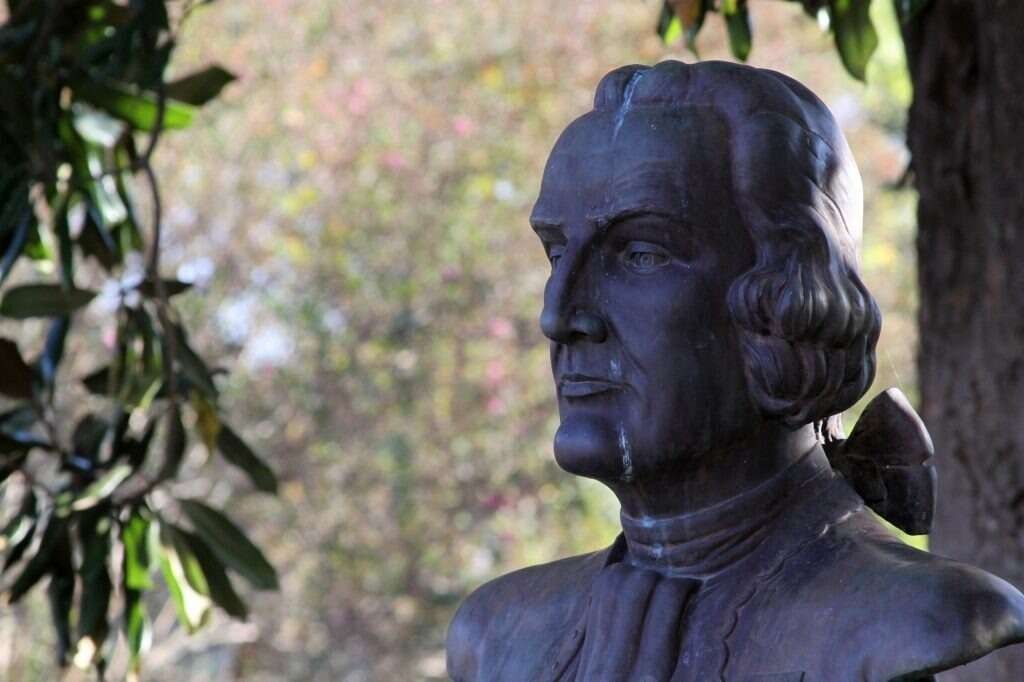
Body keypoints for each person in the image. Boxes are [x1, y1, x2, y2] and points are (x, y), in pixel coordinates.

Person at [446, 60, 1024, 681]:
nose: (559, 315)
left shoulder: (915, 619)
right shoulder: (498, 635)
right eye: (556, 253)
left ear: (789, 301)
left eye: (641, 253)